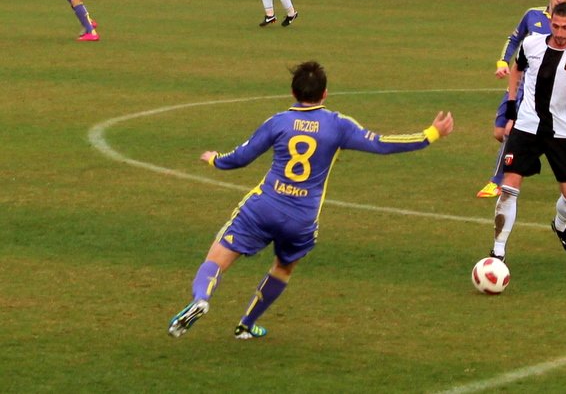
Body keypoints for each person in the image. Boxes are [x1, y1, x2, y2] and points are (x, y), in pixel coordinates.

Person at [168, 61, 454, 339]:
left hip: (263, 206)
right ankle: (246, 324)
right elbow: (380, 143)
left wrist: (215, 160)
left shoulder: (279, 121)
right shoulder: (338, 124)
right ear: (325, 94)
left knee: (217, 258)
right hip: (302, 219)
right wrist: (431, 134)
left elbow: (242, 157)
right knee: (283, 267)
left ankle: (202, 298)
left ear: (293, 93)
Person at [491, 2, 566, 261]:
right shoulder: (532, 44)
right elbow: (517, 68)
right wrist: (510, 108)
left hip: (561, 131)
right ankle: (497, 252)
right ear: (550, 22)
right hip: (526, 126)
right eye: (556, 26)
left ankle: (560, 225)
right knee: (509, 187)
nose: (560, 32)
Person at [476, 0, 566, 198]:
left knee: (512, 130)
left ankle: (497, 181)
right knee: (500, 132)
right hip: (521, 83)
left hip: (549, 92)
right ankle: (529, 156)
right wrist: (503, 62)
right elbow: (514, 39)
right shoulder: (532, 15)